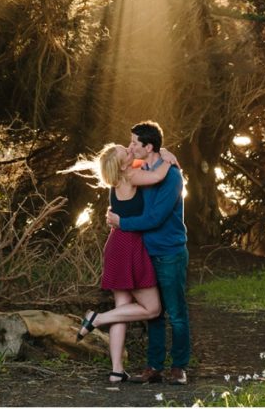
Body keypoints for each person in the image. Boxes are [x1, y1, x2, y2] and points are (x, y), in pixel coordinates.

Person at [74, 142, 176, 384]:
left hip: (116, 245)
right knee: (153, 308)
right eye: (126, 153)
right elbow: (158, 174)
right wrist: (168, 157)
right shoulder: (131, 175)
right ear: (121, 165)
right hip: (130, 246)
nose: (131, 151)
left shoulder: (116, 179)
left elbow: (142, 161)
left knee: (121, 310)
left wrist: (152, 155)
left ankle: (116, 371)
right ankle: (97, 319)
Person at [106, 119, 190, 385]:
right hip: (144, 251)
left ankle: (178, 367)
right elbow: (123, 174)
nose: (130, 147)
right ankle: (154, 367)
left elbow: (155, 217)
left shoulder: (172, 177)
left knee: (176, 313)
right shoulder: (140, 169)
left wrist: (122, 223)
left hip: (169, 252)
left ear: (148, 146)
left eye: (134, 143)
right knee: (152, 313)